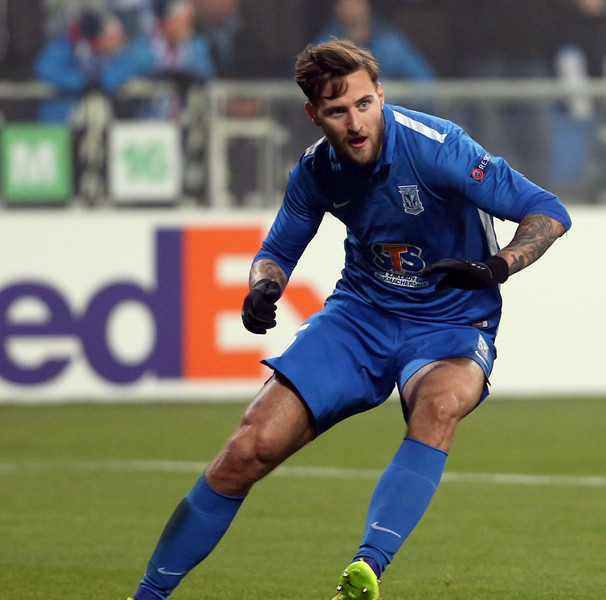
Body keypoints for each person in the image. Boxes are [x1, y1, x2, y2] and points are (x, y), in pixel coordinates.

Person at [126, 39, 571, 600]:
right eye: (338, 112)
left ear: (381, 95)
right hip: (361, 316)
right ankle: (147, 595)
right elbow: (278, 250)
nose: (356, 123)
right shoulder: (316, 171)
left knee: (438, 406)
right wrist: (265, 285)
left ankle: (366, 569)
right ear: (314, 115)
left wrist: (497, 266)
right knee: (247, 448)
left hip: (453, 320)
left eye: (364, 104)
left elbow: (549, 211)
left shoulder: (439, 149)